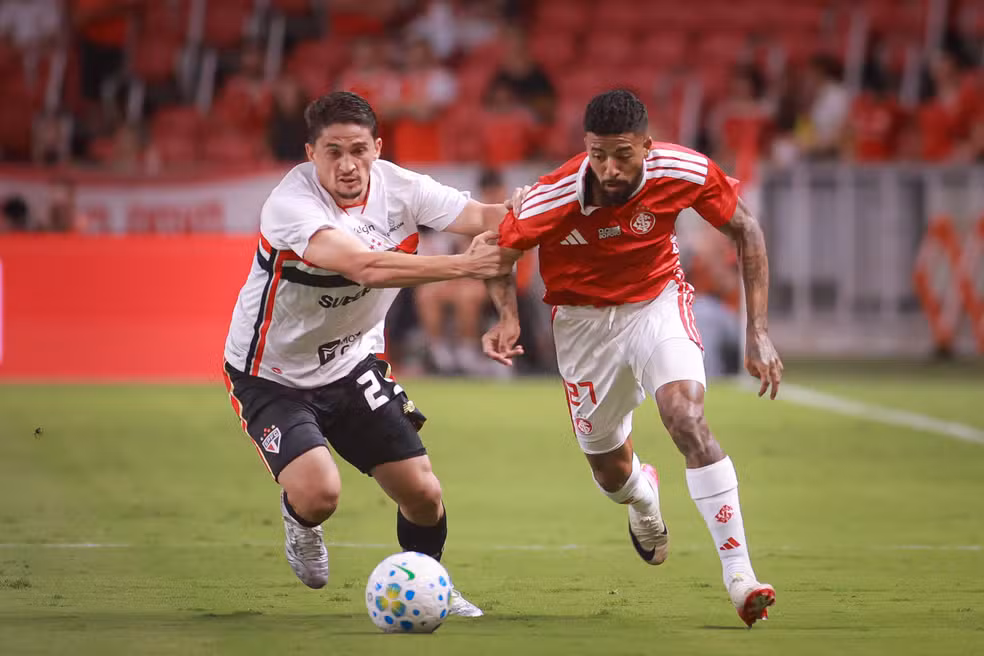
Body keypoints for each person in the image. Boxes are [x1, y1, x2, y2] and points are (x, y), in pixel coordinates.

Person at [481, 89, 783, 627]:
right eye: (598, 154)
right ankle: (645, 501)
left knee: (686, 418)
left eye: (622, 154)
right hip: (581, 325)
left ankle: (740, 576)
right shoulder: (551, 197)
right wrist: (506, 316)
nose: (609, 168)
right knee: (609, 471)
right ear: (586, 146)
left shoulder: (683, 170)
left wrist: (757, 329)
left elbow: (747, 229)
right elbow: (497, 253)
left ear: (647, 144)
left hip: (656, 305)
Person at [221, 91, 513, 617]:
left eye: (358, 149)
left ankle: (430, 586)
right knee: (320, 493)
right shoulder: (291, 205)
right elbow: (366, 268)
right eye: (333, 151)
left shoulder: (403, 188)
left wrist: (559, 207)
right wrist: (464, 267)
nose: (348, 164)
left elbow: (488, 215)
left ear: (378, 147)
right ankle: (300, 520)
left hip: (352, 365)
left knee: (423, 493)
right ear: (310, 153)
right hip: (271, 376)